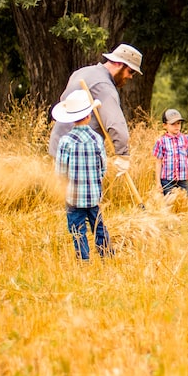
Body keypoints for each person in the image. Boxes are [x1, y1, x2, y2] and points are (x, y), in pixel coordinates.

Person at [48, 44, 139, 184]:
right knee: (83, 199)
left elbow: (64, 100)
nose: (130, 77)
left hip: (59, 145)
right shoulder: (104, 86)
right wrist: (123, 154)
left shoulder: (82, 72)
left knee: (63, 196)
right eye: (131, 71)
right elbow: (115, 123)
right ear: (119, 63)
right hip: (80, 151)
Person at [53, 88, 111, 260]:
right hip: (94, 196)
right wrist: (97, 179)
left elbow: (61, 171)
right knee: (99, 227)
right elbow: (103, 167)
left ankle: (83, 260)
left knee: (78, 231)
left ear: (71, 120)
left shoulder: (66, 141)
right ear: (89, 116)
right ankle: (106, 255)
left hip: (73, 197)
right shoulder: (97, 139)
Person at [153, 108, 188, 198]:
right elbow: (158, 162)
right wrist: (158, 182)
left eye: (179, 123)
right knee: (169, 203)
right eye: (173, 124)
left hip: (184, 179)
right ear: (165, 125)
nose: (177, 126)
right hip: (167, 180)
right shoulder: (161, 141)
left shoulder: (187, 139)